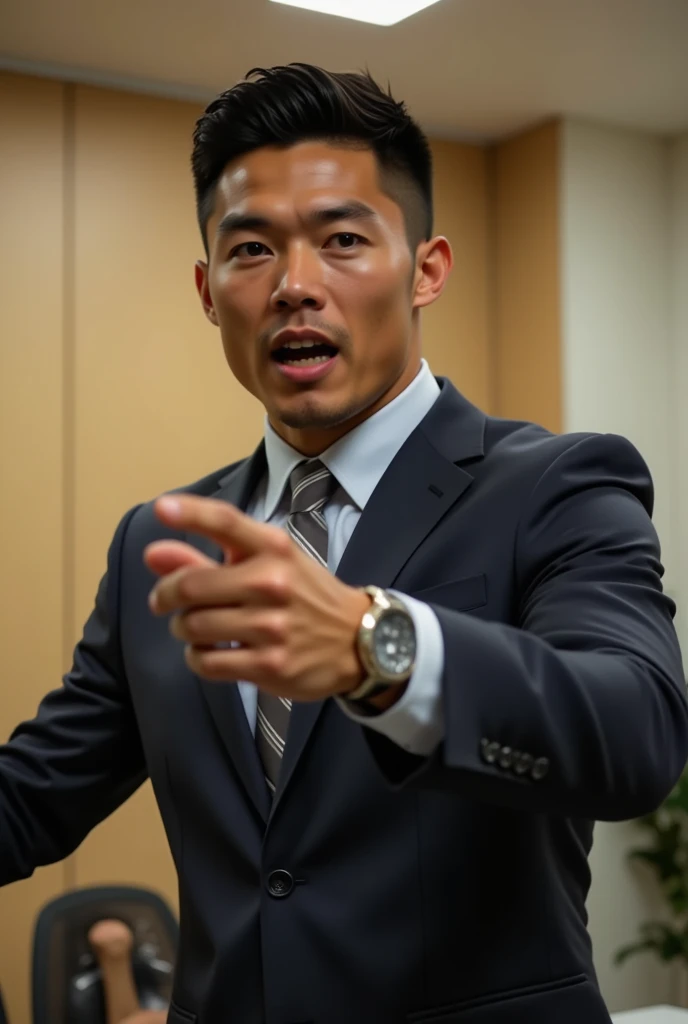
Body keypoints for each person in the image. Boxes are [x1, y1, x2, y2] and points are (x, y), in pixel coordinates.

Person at [1, 62, 686, 1024]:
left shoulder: (555, 485)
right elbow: (29, 799)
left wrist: (380, 650)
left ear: (426, 269)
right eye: (250, 251)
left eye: (343, 241)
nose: (293, 285)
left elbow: (636, 734)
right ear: (207, 291)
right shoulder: (161, 546)